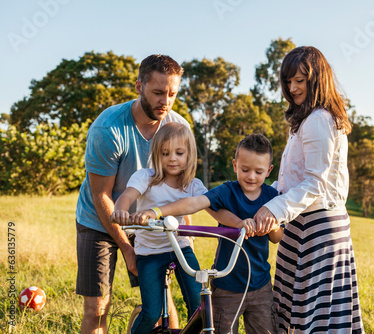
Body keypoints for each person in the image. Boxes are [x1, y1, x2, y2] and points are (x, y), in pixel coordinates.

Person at [75, 54, 190, 334]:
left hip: (150, 221)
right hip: (99, 221)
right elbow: (102, 195)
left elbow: (181, 190)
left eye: (172, 94)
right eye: (158, 92)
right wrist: (127, 248)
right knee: (98, 308)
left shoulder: (178, 129)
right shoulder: (109, 128)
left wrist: (183, 238)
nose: (166, 101)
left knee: (163, 302)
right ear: (139, 87)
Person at [253, 46, 365, 333]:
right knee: (299, 312)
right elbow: (292, 179)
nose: (292, 88)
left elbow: (315, 182)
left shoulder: (318, 120)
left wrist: (274, 209)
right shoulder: (305, 120)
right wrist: (263, 197)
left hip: (318, 228)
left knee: (315, 318)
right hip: (301, 224)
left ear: (317, 80)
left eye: (299, 81)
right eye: (288, 81)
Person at [129, 133, 282, 334]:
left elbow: (276, 238)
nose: (251, 176)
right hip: (227, 286)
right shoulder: (227, 191)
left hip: (261, 286)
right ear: (235, 165)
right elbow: (193, 203)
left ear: (269, 170)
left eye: (258, 171)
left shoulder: (272, 197)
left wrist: (272, 225)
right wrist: (155, 212)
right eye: (245, 169)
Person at [111, 123, 205, 333]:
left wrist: (238, 221)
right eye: (165, 153)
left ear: (189, 155)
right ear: (156, 154)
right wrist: (121, 211)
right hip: (150, 253)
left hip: (181, 248)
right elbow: (127, 197)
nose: (172, 158)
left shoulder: (193, 185)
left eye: (179, 153)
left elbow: (214, 204)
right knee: (152, 312)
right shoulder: (146, 177)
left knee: (199, 308)